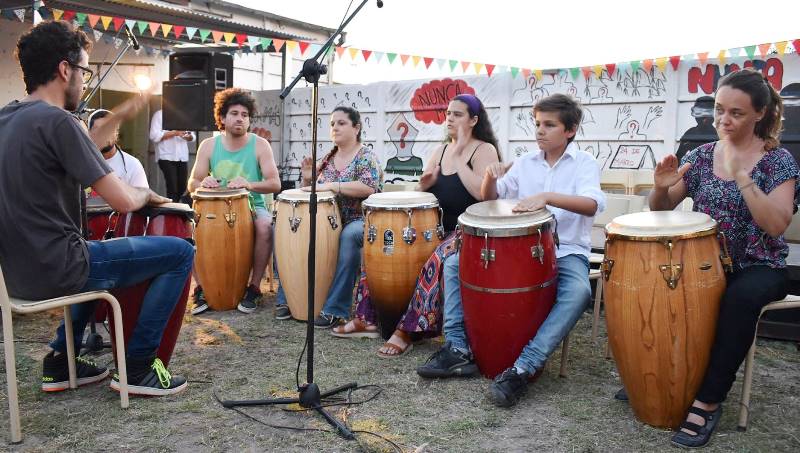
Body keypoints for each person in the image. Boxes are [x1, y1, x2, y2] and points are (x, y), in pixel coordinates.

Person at [0, 20, 193, 396]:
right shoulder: (58, 121)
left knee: (92, 252)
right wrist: (146, 195)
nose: (85, 80)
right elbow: (122, 200)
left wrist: (120, 115)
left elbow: (81, 145)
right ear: (64, 69)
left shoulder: (9, 119)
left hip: (17, 278)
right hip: (64, 269)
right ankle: (137, 368)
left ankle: (61, 360)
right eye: (85, 70)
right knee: (179, 253)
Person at [416, 94, 606, 408]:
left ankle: (523, 367)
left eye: (549, 125)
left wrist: (546, 196)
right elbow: (491, 198)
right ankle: (457, 349)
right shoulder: (524, 162)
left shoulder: (584, 162)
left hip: (567, 250)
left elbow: (591, 205)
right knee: (452, 264)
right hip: (520, 251)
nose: (540, 131)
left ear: (570, 130)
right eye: (537, 124)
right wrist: (490, 177)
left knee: (578, 292)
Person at [648, 68, 799, 449]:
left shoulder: (777, 161)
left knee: (738, 298)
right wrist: (660, 190)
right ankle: (669, 377)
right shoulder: (700, 155)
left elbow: (777, 226)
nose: (723, 121)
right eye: (719, 110)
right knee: (662, 283)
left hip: (759, 266)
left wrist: (743, 178)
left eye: (736, 113)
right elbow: (662, 209)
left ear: (760, 114)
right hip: (705, 262)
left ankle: (708, 400)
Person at [331, 94, 501, 358]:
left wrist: (458, 160)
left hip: (466, 232)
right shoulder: (440, 150)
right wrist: (423, 184)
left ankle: (408, 331)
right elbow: (420, 195)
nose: (450, 118)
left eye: (457, 114)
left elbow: (484, 196)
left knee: (434, 259)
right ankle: (368, 318)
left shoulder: (483, 150)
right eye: (448, 113)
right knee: (379, 248)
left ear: (474, 120)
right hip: (431, 229)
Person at [273, 106, 382, 327]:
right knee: (291, 231)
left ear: (356, 128)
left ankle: (335, 309)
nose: (335, 127)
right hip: (328, 220)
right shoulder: (327, 158)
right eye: (332, 124)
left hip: (359, 220)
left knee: (349, 236)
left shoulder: (366, 156)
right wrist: (307, 180)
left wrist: (331, 185)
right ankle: (289, 299)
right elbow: (315, 191)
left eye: (341, 123)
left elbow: (369, 188)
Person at [188, 87, 280, 314]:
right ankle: (201, 288)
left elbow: (275, 183)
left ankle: (254, 288)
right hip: (212, 209)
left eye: (245, 115)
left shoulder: (260, 145)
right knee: (184, 227)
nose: (240, 118)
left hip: (252, 206)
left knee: (265, 226)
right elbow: (192, 184)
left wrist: (249, 184)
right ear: (222, 118)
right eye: (235, 113)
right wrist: (203, 183)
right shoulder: (208, 146)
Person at [88, 108, 148, 189]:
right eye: (98, 129)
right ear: (89, 133)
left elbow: (142, 197)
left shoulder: (132, 165)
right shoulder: (81, 164)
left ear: (117, 132)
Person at [149, 108, 194, 202]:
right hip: (165, 156)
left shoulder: (183, 114)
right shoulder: (159, 114)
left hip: (182, 156)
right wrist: (175, 133)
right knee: (172, 187)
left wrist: (188, 136)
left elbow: (192, 136)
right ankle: (173, 211)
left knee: (182, 187)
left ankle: (176, 208)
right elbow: (154, 135)